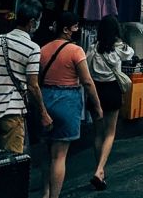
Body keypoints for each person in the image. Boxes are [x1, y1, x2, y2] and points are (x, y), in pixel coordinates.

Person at [41, 12, 102, 198]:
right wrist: (97, 106)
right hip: (67, 101)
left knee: (46, 153)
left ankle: (45, 193)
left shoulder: (43, 50)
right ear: (66, 29)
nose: (77, 30)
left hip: (45, 99)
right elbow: (88, 82)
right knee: (59, 155)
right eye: (75, 27)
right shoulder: (76, 51)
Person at [0, 0, 51, 154]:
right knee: (11, 165)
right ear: (32, 22)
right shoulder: (32, 48)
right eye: (38, 21)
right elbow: (33, 85)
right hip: (12, 112)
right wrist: (43, 112)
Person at [86, 15, 133, 191]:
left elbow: (87, 69)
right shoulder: (119, 49)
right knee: (110, 133)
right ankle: (99, 170)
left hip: (95, 91)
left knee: (97, 133)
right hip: (112, 90)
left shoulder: (92, 49)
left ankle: (100, 169)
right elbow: (131, 54)